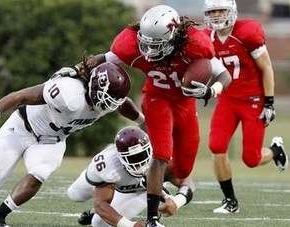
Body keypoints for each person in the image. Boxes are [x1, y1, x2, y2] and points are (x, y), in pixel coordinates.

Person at [62, 5, 232, 226]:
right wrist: (75, 70)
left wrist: (211, 91)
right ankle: (152, 217)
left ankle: (140, 184)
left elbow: (224, 75)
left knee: (182, 169)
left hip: (185, 105)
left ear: (174, 36)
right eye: (147, 42)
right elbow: (102, 59)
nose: (149, 50)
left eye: (156, 44)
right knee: (161, 154)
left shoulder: (195, 46)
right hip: (156, 98)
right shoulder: (131, 45)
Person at [0, 62, 143, 227]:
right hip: (22, 128)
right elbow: (20, 96)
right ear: (95, 87)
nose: (107, 106)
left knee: (39, 174)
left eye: (112, 101)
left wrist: (142, 120)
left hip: (52, 141)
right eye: (107, 99)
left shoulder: (107, 99)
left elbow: (122, 103)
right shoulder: (68, 93)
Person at [203, 0, 288, 214]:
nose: (216, 15)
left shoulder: (247, 32)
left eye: (221, 10)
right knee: (216, 146)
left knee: (251, 159)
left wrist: (269, 102)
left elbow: (267, 68)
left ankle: (276, 150)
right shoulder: (206, 37)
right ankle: (230, 201)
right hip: (228, 99)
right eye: (212, 11)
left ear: (231, 11)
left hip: (253, 99)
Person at [67, 126, 195, 227]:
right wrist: (133, 225)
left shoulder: (160, 157)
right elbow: (101, 203)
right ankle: (101, 188)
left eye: (143, 154)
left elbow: (186, 180)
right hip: (112, 179)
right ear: (120, 157)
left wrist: (177, 202)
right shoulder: (110, 165)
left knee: (99, 224)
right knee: (74, 194)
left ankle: (97, 214)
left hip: (139, 192)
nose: (139, 162)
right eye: (133, 157)